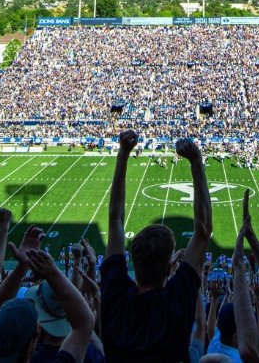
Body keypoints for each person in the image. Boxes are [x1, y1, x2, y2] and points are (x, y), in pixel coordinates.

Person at [101, 133, 211, 363]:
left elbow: (115, 219)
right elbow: (203, 230)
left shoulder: (116, 296)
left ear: (133, 260)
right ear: (171, 265)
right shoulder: (176, 300)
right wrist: (196, 162)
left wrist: (122, 154)